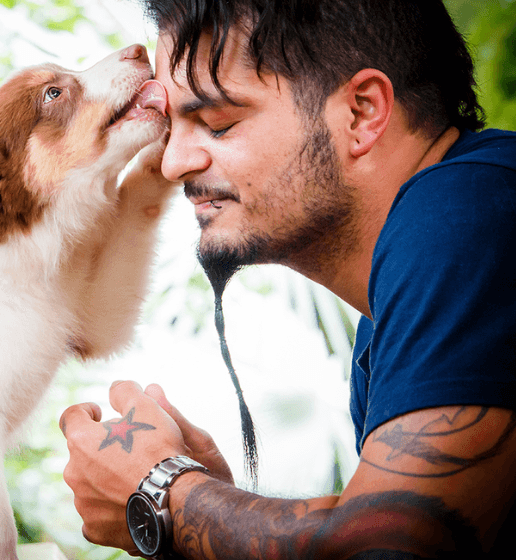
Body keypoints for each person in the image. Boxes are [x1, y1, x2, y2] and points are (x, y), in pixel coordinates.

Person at [59, 0, 516, 558]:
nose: (174, 163)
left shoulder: (470, 214)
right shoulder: (398, 296)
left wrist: (164, 493)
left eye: (218, 123)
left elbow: (397, 543)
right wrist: (207, 505)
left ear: (362, 112)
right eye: (172, 126)